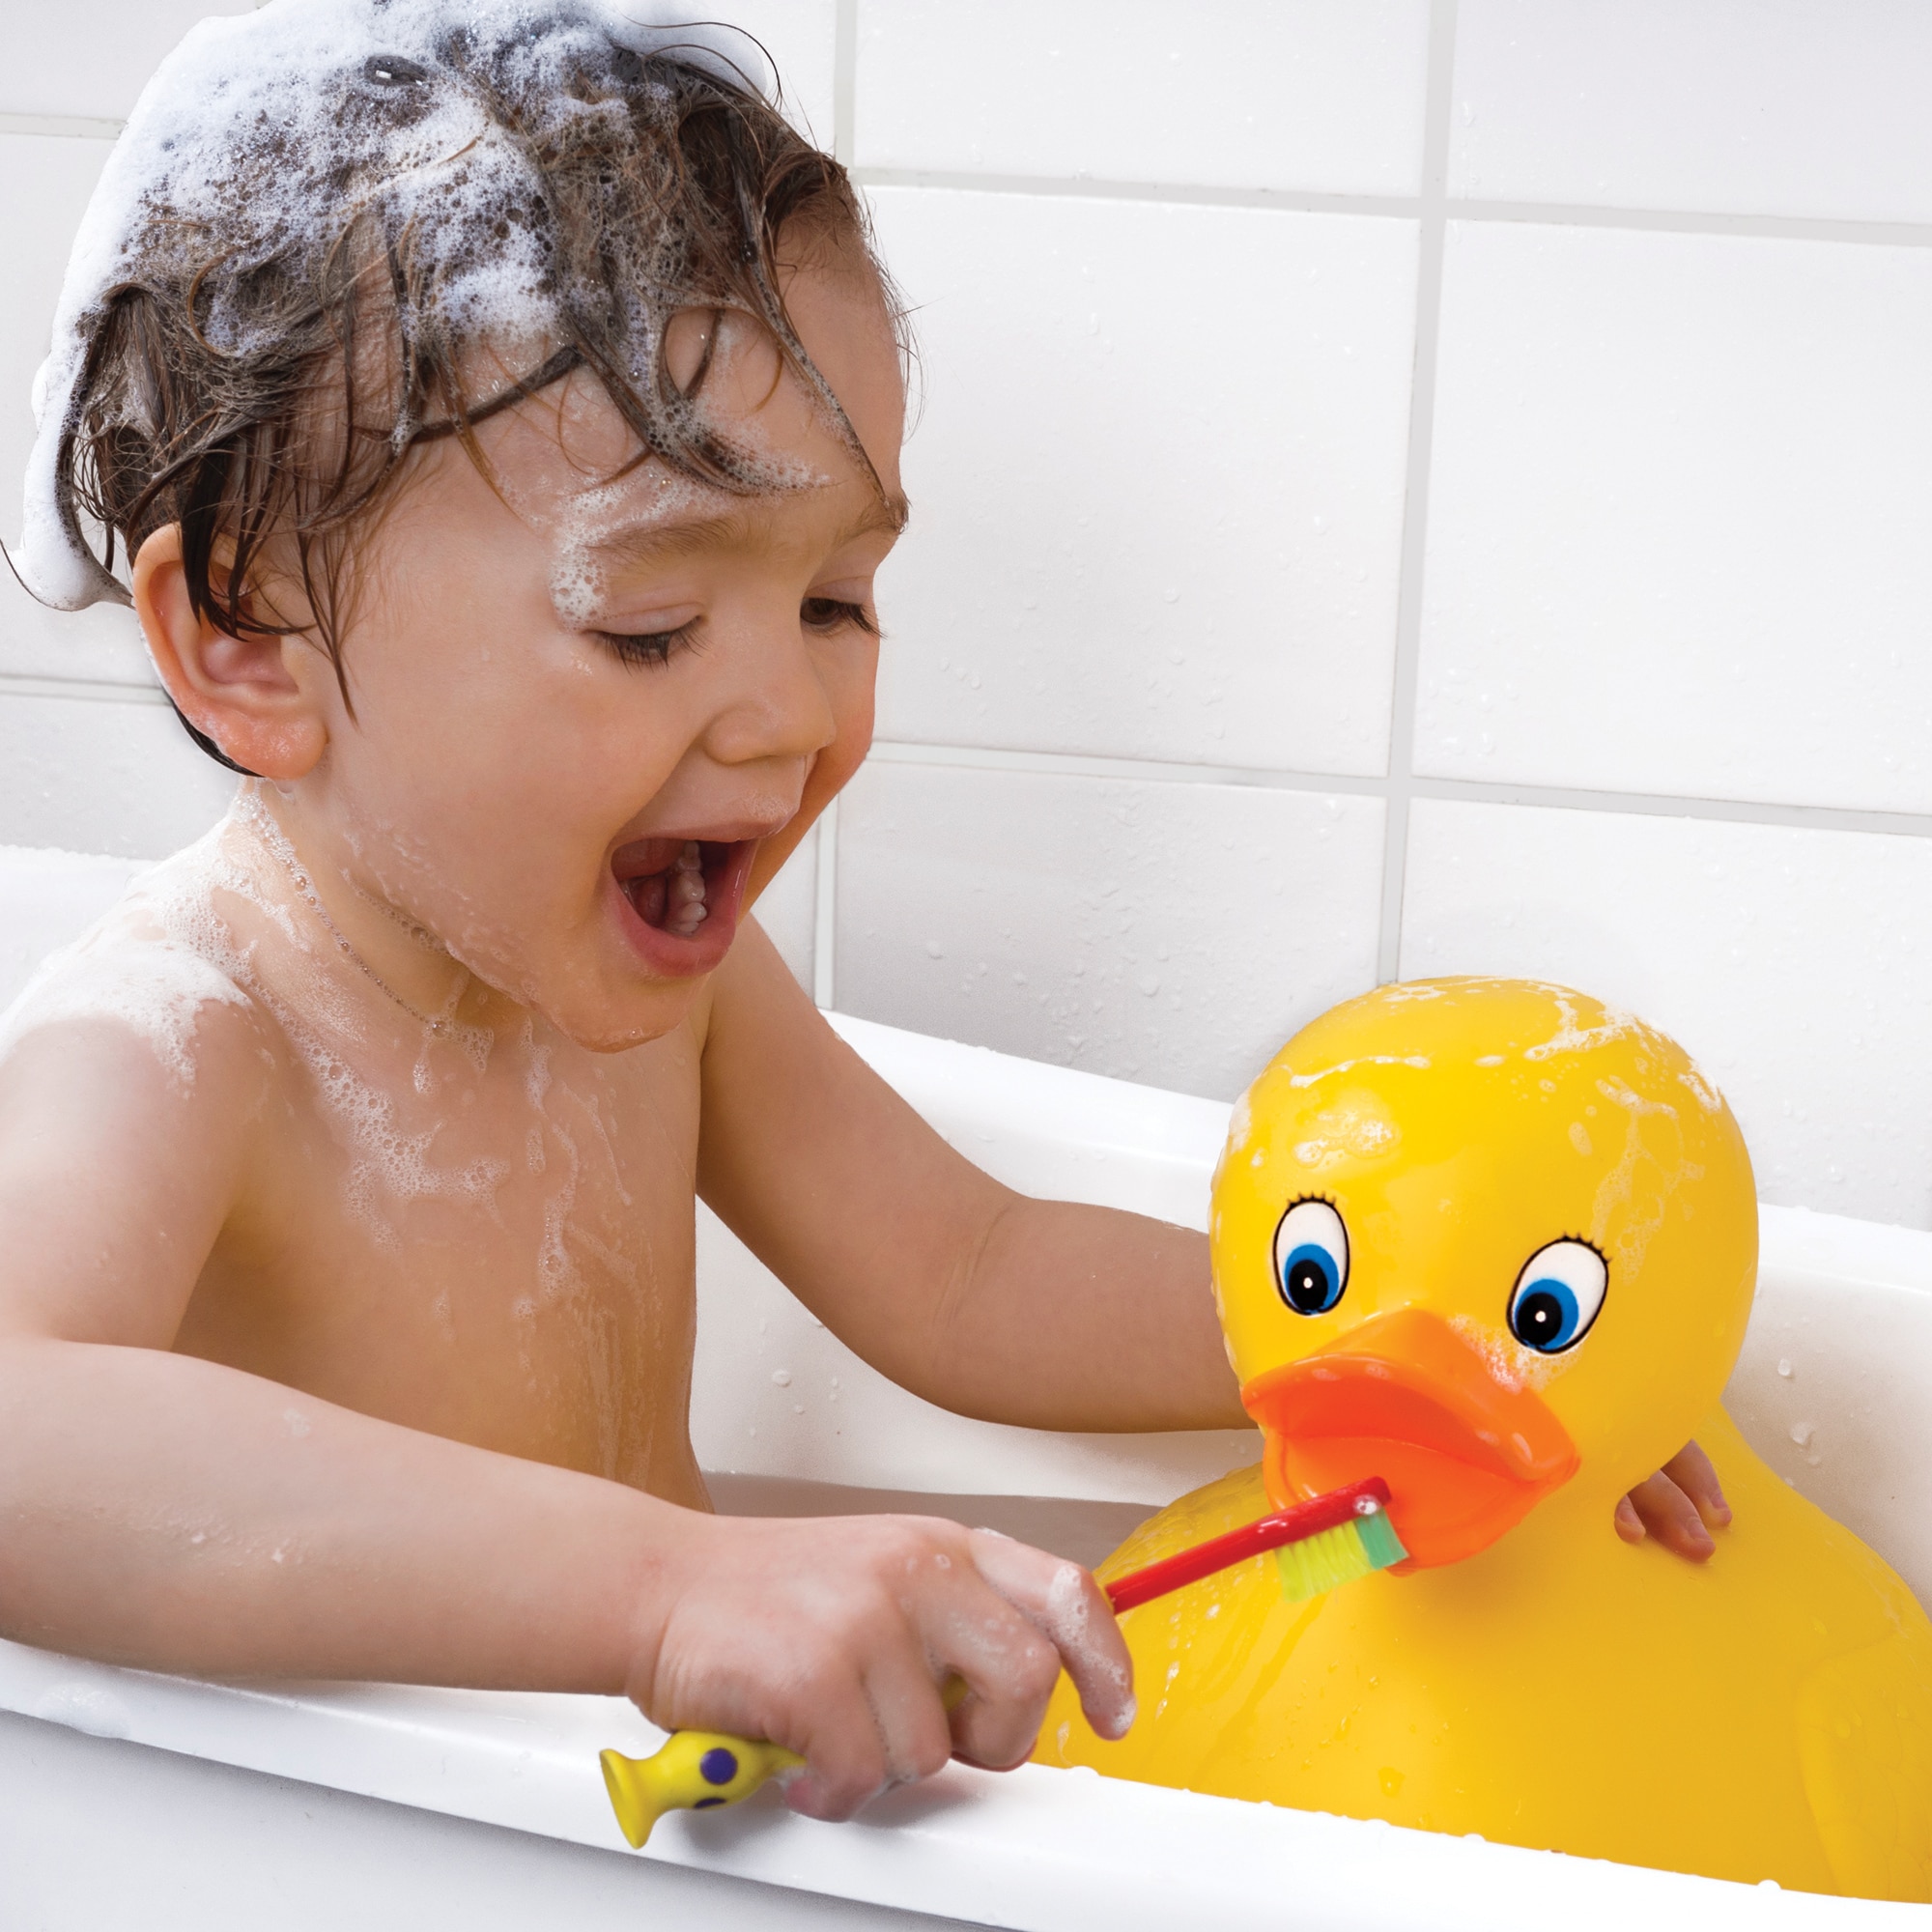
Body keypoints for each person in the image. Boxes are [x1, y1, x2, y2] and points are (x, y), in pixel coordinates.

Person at [0, 0, 1728, 1825]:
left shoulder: (679, 989)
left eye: (838, 602)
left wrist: (1402, 1363)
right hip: (337, 1857)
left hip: (642, 1821)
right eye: (647, 627)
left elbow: (964, 1276)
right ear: (245, 644)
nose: (790, 715)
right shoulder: (186, 1041)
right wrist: (670, 1593)